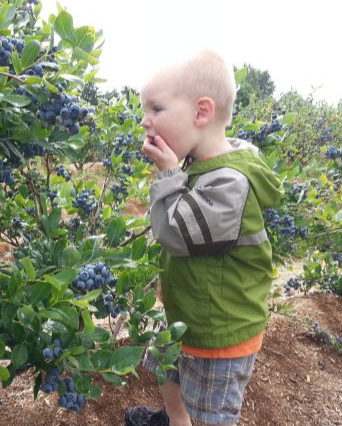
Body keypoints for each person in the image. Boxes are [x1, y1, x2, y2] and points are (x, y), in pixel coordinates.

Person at [125, 49, 284, 426]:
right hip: (188, 315)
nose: (145, 120)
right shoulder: (201, 166)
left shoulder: (230, 183)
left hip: (219, 333)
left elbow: (175, 233)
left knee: (211, 415)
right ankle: (175, 421)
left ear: (201, 113)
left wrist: (169, 175)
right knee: (167, 371)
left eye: (156, 108)